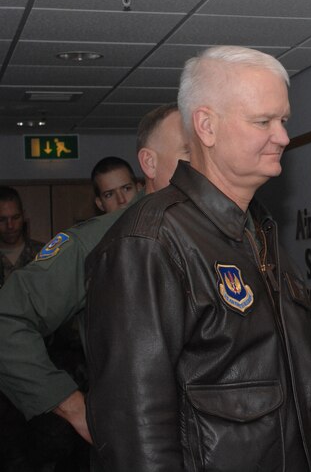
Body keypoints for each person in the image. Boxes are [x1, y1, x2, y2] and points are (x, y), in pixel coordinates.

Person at [85, 46, 311, 471]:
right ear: (206, 126)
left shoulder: (258, 230)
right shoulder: (149, 243)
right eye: (263, 121)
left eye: (283, 120)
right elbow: (135, 431)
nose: (284, 137)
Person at [0, 103, 189, 453]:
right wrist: (72, 406)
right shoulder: (97, 242)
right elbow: (8, 319)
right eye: (188, 153)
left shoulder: (234, 231)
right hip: (141, 441)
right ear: (149, 165)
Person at [0, 186, 44, 288]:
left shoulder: (44, 255)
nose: (10, 226)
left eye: (15, 217)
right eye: (2, 220)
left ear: (23, 215)